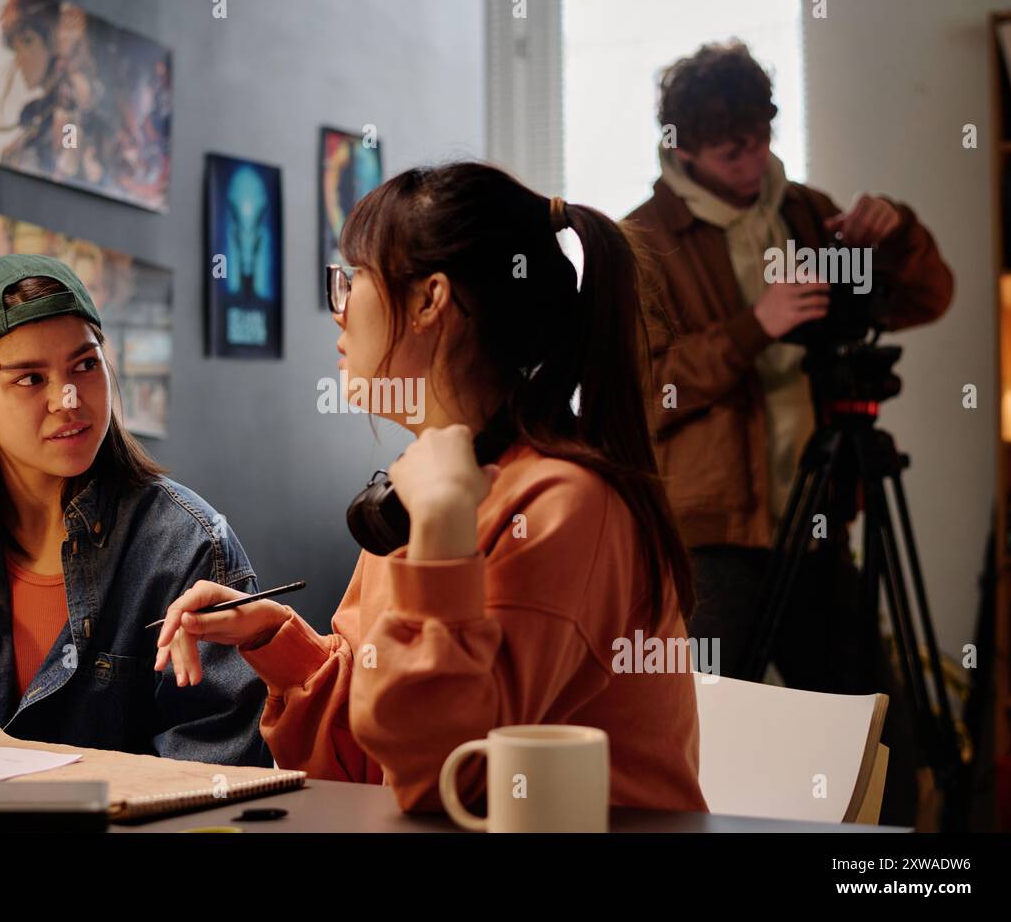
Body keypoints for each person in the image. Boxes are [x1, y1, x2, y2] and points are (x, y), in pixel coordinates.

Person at [155, 162, 709, 814]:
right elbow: (372, 760)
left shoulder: (565, 505)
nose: (338, 311)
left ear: (429, 300)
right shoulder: (428, 486)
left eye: (353, 278)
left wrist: (444, 537)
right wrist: (277, 643)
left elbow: (446, 784)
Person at [627, 40, 953, 824]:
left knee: (873, 734)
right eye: (732, 147)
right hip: (711, 536)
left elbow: (925, 298)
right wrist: (753, 328)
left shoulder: (809, 212)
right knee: (706, 741)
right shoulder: (643, 240)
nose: (754, 159)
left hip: (816, 521)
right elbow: (644, 392)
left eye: (763, 137)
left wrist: (898, 231)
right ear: (685, 145)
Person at [0, 254, 271, 765]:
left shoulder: (189, 544)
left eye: (85, 365)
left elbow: (221, 767)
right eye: (30, 379)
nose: (68, 399)